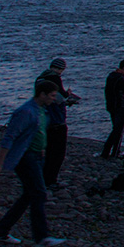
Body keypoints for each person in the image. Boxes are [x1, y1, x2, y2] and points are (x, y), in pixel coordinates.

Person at [0, 78, 67, 246]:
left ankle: (1, 231)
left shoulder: (41, 110)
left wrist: (42, 149)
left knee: (29, 195)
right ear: (41, 94)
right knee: (39, 193)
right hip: (24, 157)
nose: (53, 99)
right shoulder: (26, 112)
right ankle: (42, 237)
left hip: (36, 156)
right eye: (51, 95)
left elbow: (37, 132)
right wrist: (0, 163)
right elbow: (9, 138)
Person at [34, 59, 77, 192]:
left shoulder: (40, 79)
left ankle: (42, 179)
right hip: (56, 122)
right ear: (61, 69)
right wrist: (68, 96)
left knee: (47, 153)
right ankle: (50, 181)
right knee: (57, 154)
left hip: (43, 121)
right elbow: (59, 99)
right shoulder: (55, 79)